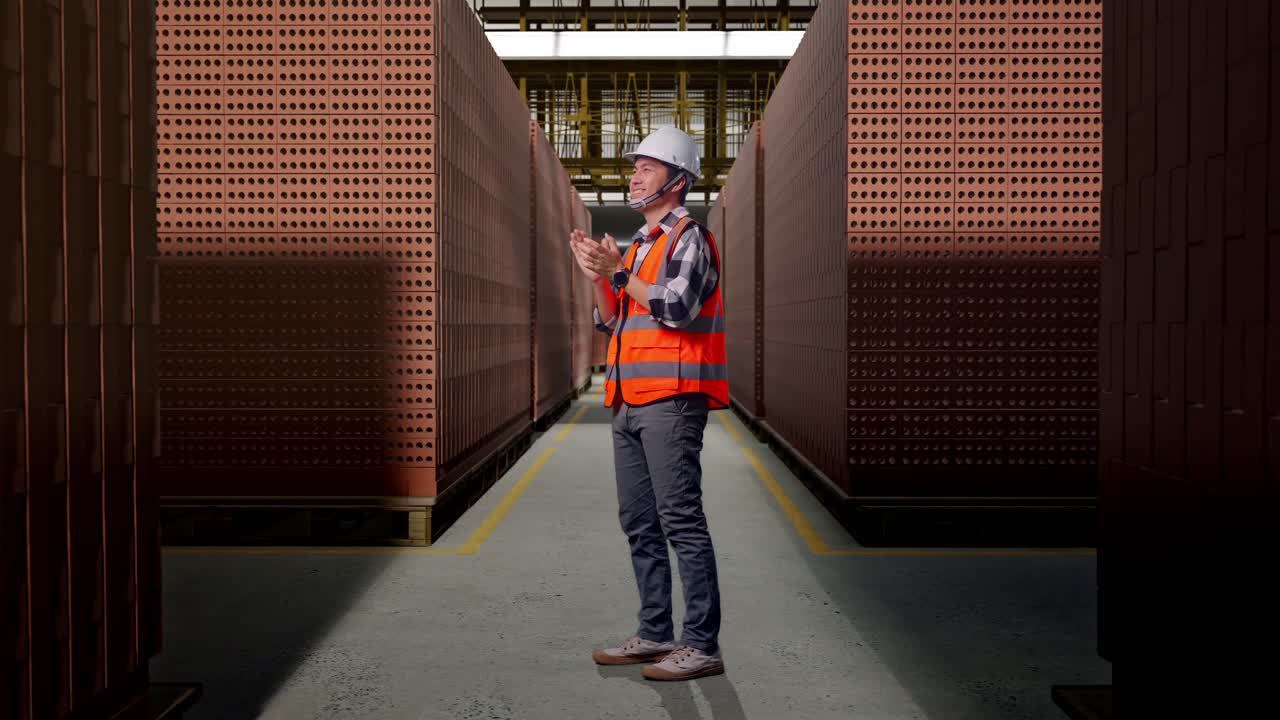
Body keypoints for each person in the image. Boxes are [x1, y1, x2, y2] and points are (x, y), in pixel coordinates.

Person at [569, 126, 730, 682]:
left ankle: (701, 643)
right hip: (628, 398)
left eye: (648, 166)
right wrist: (598, 275)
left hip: (673, 399)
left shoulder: (690, 237)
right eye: (634, 166)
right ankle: (656, 631)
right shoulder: (639, 246)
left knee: (680, 520)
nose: (635, 174)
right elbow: (613, 320)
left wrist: (619, 273)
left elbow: (675, 305)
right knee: (639, 521)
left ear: (678, 180)